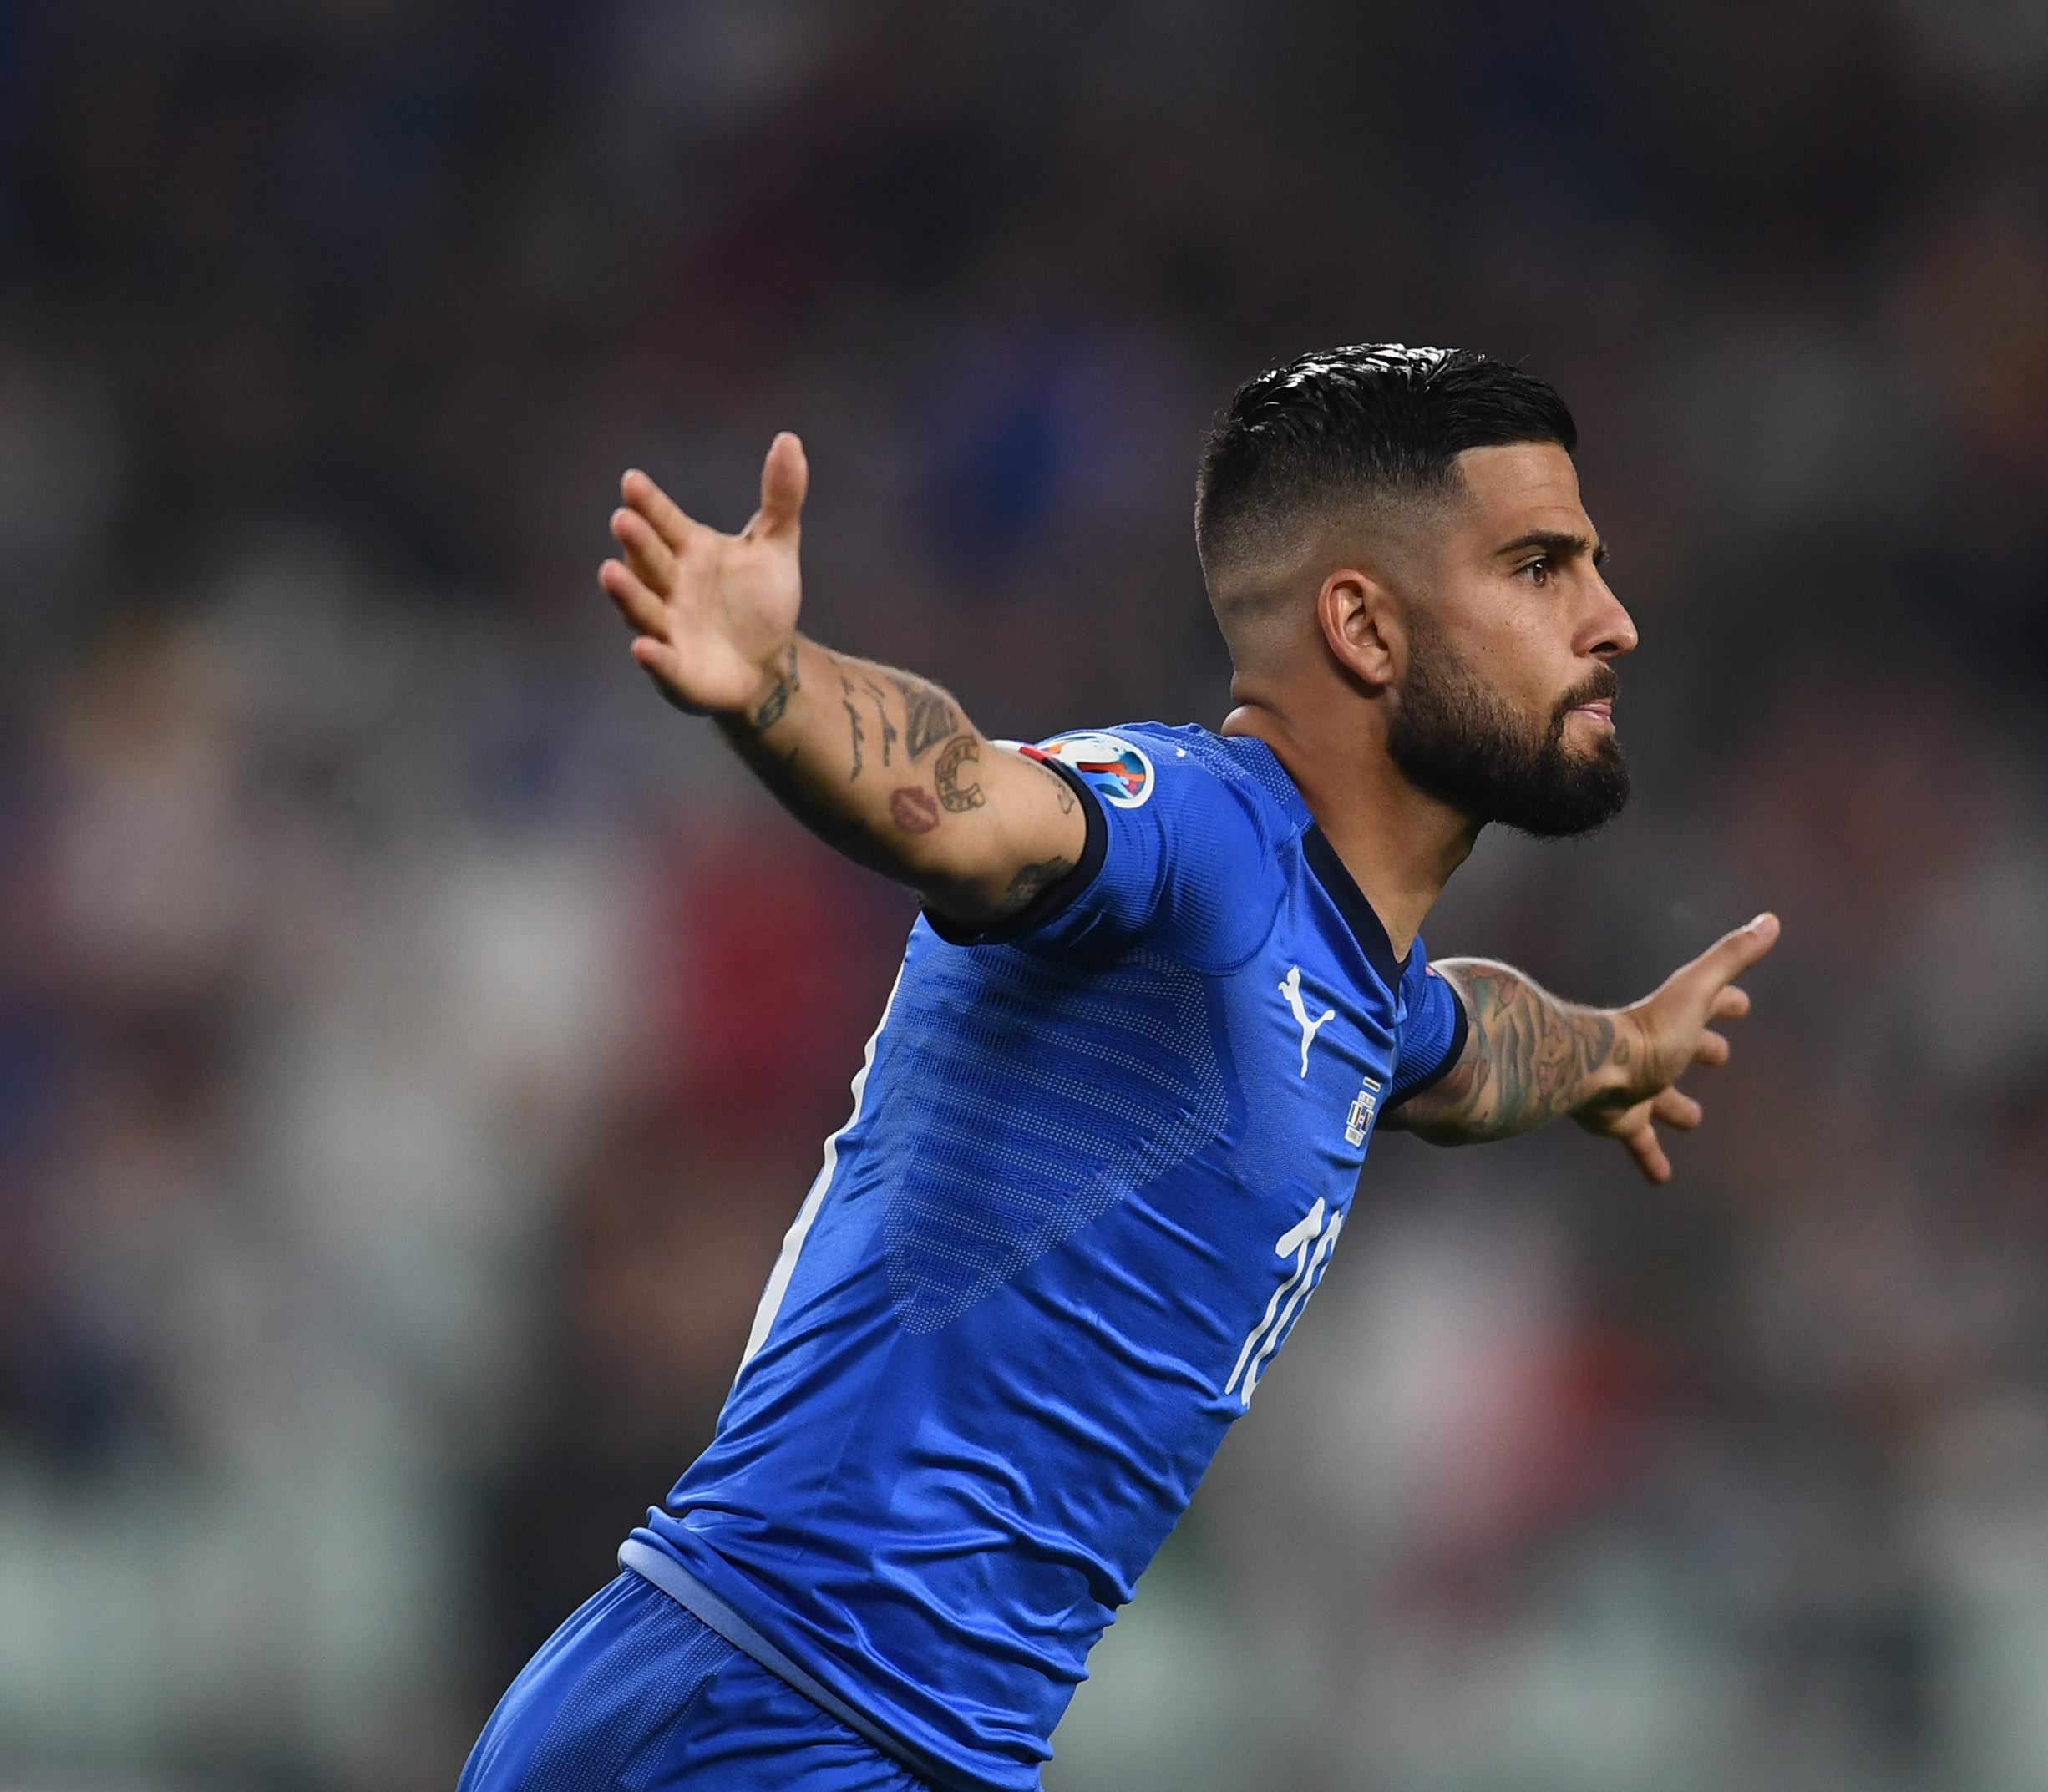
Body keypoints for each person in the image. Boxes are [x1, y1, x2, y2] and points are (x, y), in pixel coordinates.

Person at [459, 344, 1779, 1792]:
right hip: (770, 1707)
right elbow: (975, 806)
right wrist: (777, 687)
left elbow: (1470, 1052)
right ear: (1364, 627)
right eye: (1539, 567)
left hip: (893, 1741)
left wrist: (1618, 1052)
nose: (1611, 619)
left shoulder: (1353, 985)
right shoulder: (1200, 835)